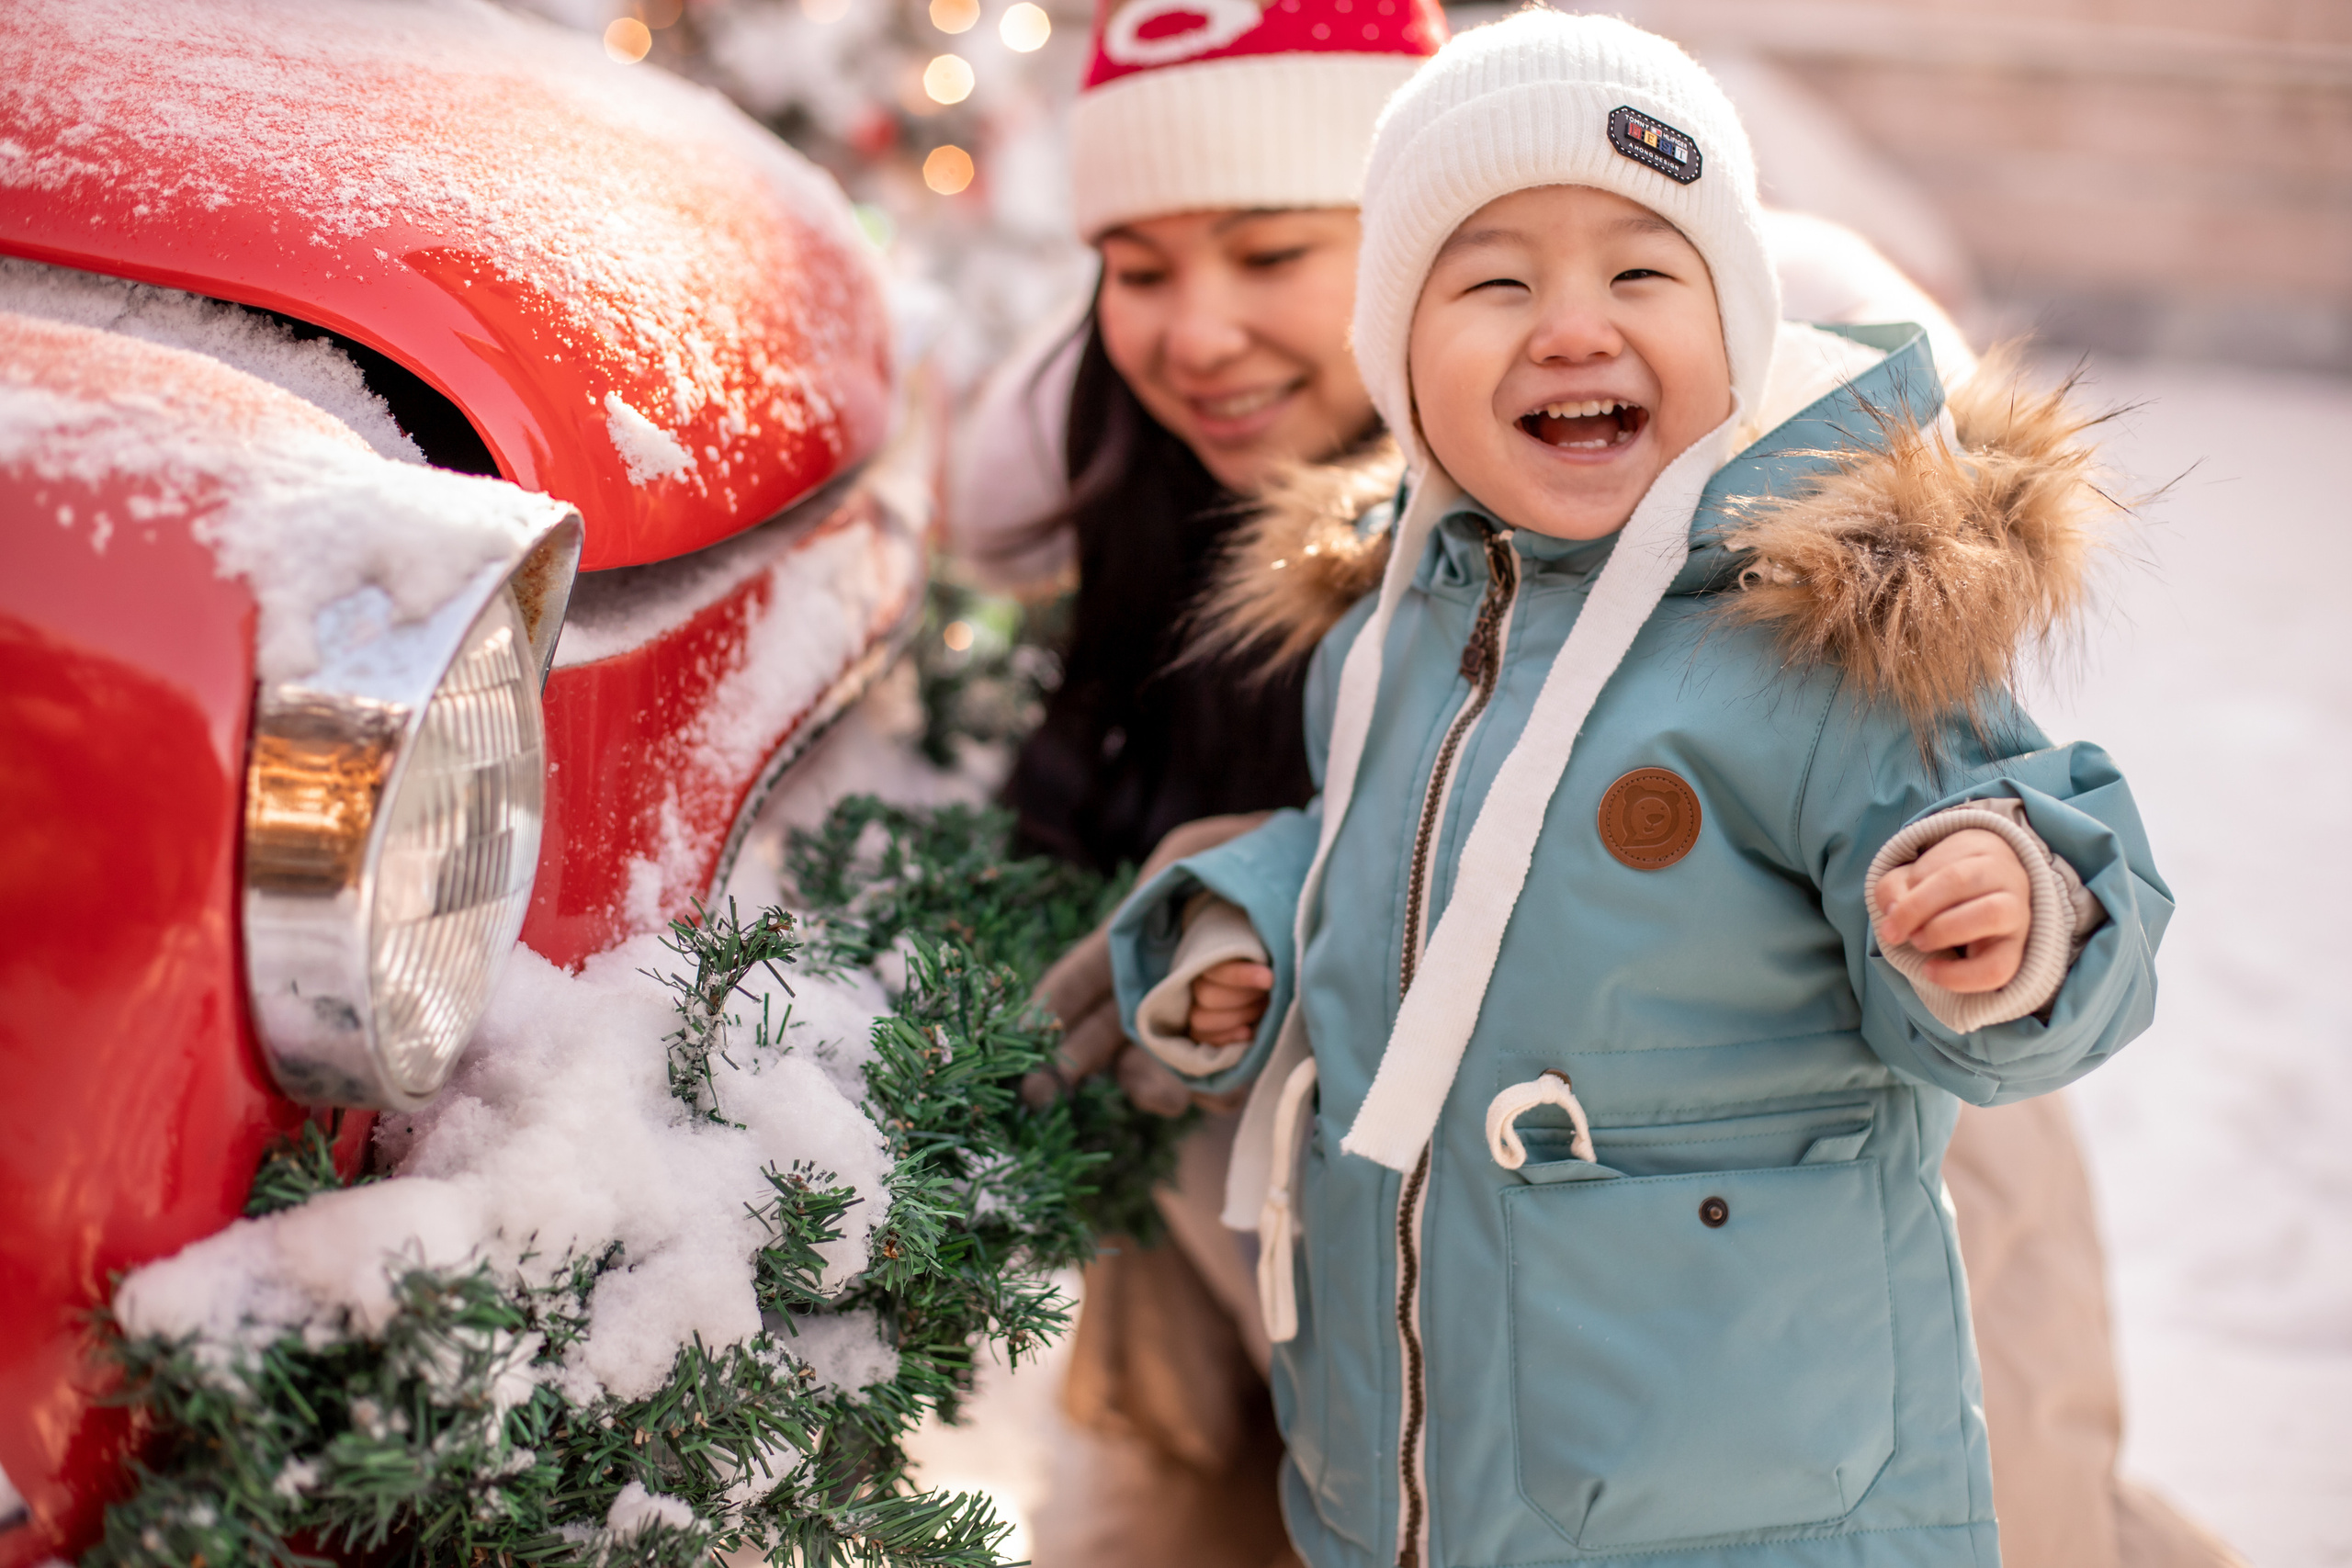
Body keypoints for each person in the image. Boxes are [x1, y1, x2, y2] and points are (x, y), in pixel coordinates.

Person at [950, 6, 2245, 1566]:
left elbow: (1996, 838)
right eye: (1139, 269)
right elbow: (1393, 837)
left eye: (1267, 250)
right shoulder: (1388, 605)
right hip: (1437, 1437)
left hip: (1765, 1422)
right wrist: (1244, 912)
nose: (1201, 333)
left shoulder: (1795, 618)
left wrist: (2014, 905)